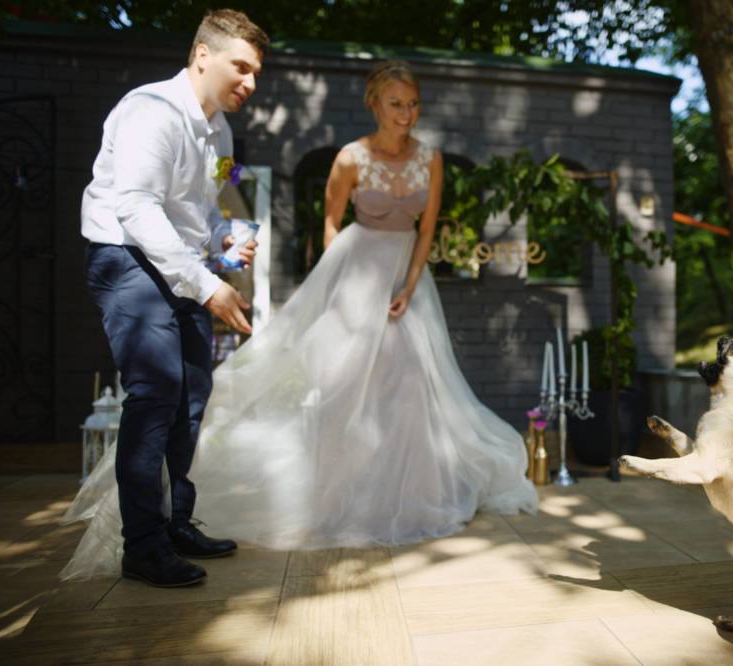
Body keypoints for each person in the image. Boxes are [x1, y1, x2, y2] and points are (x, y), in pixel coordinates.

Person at [62, 59, 537, 582]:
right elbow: (331, 226)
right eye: (396, 102)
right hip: (348, 274)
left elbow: (426, 228)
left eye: (414, 103)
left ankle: (404, 494)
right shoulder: (343, 156)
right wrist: (345, 290)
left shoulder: (221, 133)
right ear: (375, 103)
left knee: (407, 390)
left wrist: (406, 282)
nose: (407, 113)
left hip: (408, 281)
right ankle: (161, 534)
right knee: (335, 388)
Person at [77, 9, 269, 587]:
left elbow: (204, 212)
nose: (251, 83)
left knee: (192, 396)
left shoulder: (225, 134)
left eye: (257, 72)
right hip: (126, 257)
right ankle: (141, 545)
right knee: (157, 389)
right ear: (203, 56)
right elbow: (136, 208)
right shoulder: (149, 112)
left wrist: (225, 240)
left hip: (180, 264)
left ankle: (175, 523)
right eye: (242, 67)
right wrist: (210, 284)